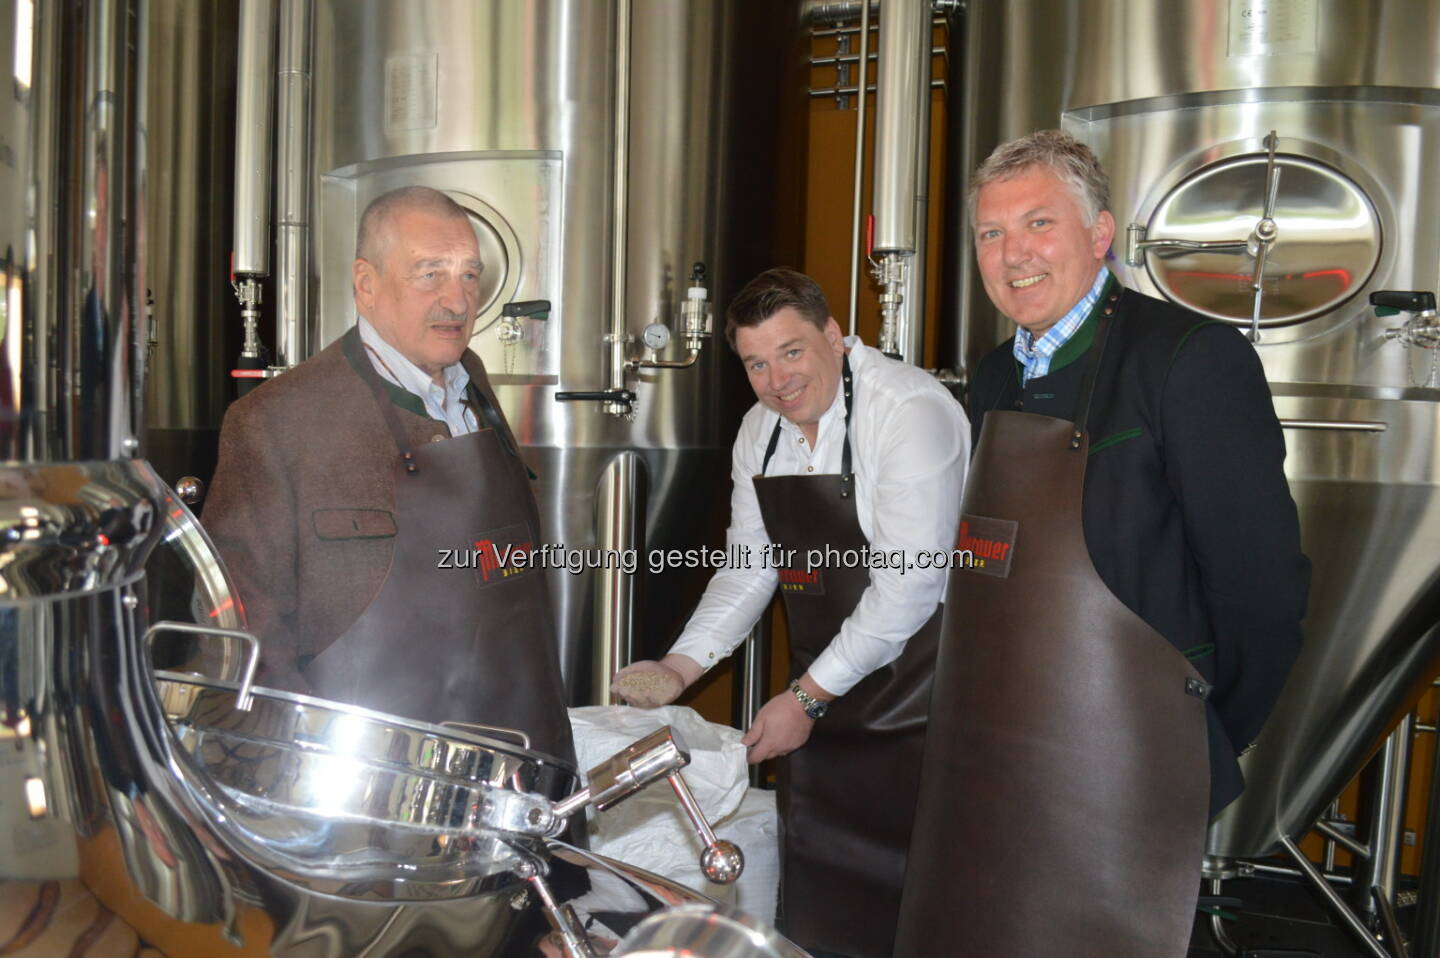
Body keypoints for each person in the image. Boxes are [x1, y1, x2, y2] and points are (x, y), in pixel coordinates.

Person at [895, 130, 1309, 957]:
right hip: (1010, 757)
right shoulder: (993, 378)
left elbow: (1261, 588)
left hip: (1135, 769)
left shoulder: (1189, 361)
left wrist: (1197, 747)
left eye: (1038, 224)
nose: (1013, 254)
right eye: (990, 233)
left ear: (1099, 234)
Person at [611, 268, 969, 958]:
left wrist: (805, 698)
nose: (777, 380)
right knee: (826, 916)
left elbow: (909, 588)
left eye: (792, 351)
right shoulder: (760, 434)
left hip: (928, 702)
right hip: (829, 713)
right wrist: (677, 668)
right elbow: (749, 567)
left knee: (925, 916)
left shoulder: (907, 411)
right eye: (756, 363)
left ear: (834, 336)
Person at [203, 185, 574, 766]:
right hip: (368, 789)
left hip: (515, 755)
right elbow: (243, 636)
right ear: (366, 282)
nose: (458, 300)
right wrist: (307, 775)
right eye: (430, 274)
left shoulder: (472, 381)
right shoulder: (274, 419)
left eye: (469, 275)